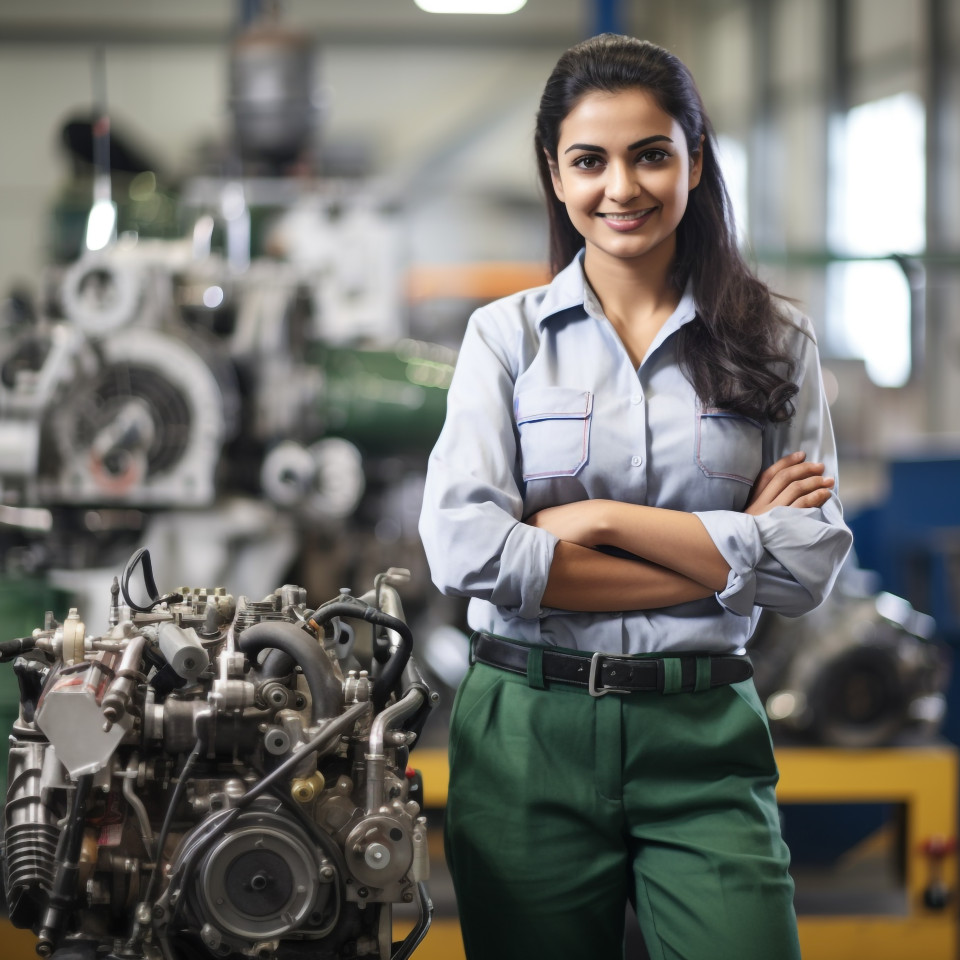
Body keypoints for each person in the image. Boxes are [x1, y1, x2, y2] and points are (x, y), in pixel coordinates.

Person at [418, 33, 852, 960]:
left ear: (695, 163)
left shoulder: (776, 343)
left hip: (702, 733)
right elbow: (467, 552)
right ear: (556, 174)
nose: (623, 187)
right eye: (591, 161)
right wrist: (732, 557)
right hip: (528, 732)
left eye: (652, 154)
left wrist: (603, 523)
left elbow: (809, 562)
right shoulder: (506, 340)